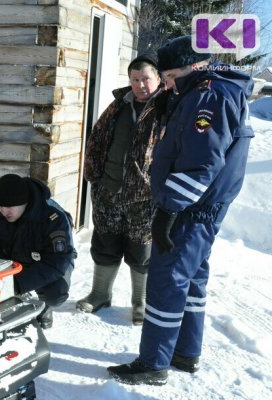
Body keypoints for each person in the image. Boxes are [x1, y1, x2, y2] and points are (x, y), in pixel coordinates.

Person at [108, 35, 254, 385]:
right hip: (199, 208)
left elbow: (201, 162)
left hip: (191, 209)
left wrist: (170, 210)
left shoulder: (208, 97)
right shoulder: (203, 91)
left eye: (171, 76)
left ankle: (153, 362)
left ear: (196, 66)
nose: (167, 84)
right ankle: (185, 351)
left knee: (167, 281)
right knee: (190, 279)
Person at [77, 53, 164, 325]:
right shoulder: (118, 106)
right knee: (104, 244)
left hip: (144, 197)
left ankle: (141, 302)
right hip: (109, 191)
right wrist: (95, 177)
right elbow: (96, 139)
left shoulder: (167, 109)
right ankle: (100, 294)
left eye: (145, 79)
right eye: (135, 79)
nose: (140, 85)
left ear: (158, 79)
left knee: (142, 252)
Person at [0, 174, 76, 329]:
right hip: (12, 258)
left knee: (55, 293)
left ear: (24, 202)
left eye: (9, 207)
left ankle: (45, 307)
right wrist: (1, 272)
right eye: (1, 206)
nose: (4, 211)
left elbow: (57, 261)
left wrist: (19, 284)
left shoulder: (52, 217)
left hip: (46, 261)